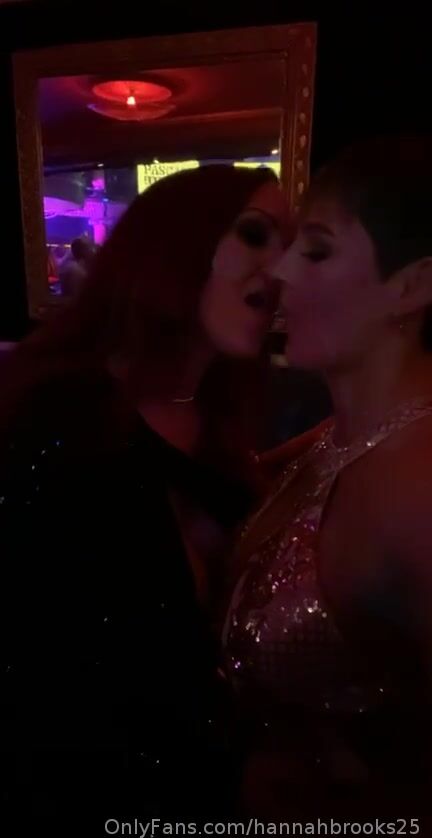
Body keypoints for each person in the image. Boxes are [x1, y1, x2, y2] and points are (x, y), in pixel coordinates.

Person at [0, 165, 288, 833]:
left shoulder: (218, 415)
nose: (282, 269)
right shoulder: (64, 419)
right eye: (254, 235)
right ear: (175, 242)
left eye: (298, 249)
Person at [223, 137, 432, 820]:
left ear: (412, 286)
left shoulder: (419, 485)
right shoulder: (336, 435)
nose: (281, 270)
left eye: (314, 252)